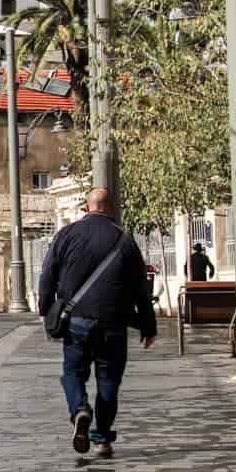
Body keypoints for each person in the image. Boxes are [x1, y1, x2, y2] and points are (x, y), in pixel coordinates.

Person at [38, 187, 157, 458]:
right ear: (111, 209)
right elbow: (141, 288)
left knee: (73, 373)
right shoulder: (125, 240)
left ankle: (80, 409)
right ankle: (102, 438)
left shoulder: (66, 235)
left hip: (76, 320)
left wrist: (46, 312)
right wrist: (148, 327)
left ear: (86, 208)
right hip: (113, 322)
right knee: (108, 382)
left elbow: (47, 276)